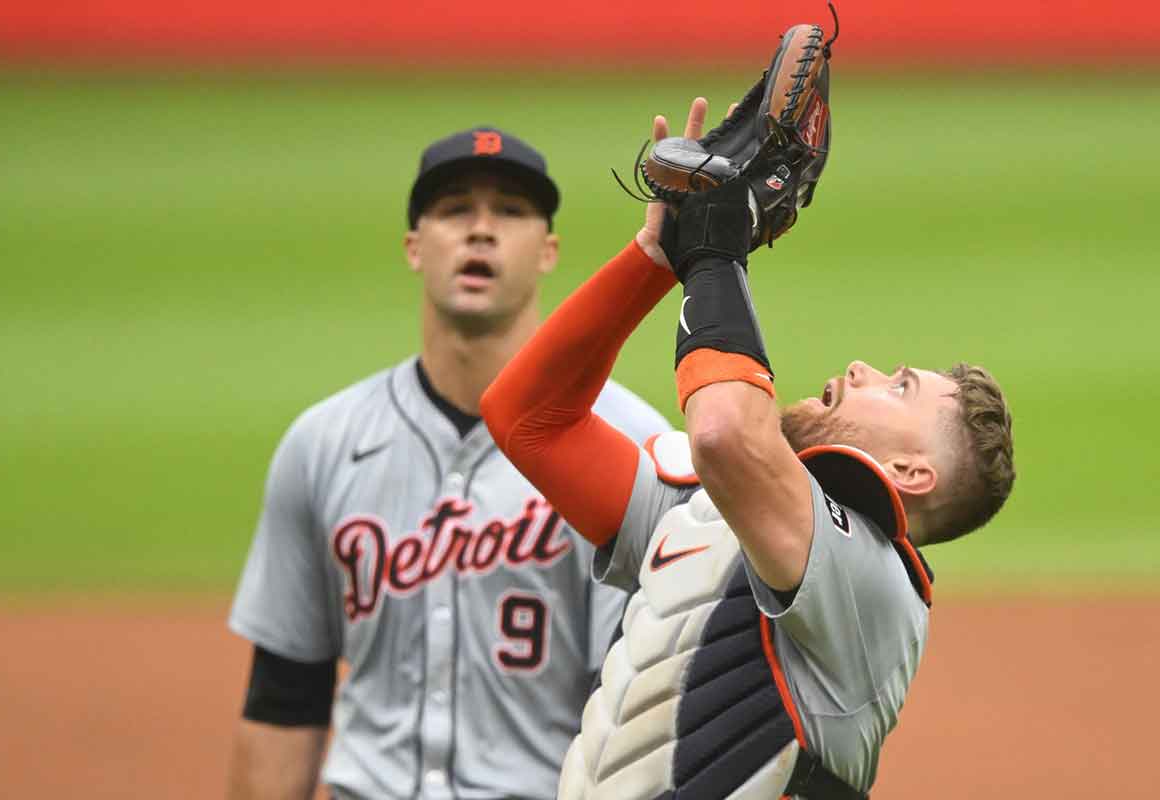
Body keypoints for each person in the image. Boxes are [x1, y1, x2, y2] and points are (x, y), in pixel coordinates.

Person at [480, 97, 1016, 799]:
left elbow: (727, 434)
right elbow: (528, 420)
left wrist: (716, 253)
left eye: (900, 387)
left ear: (911, 473)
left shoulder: (873, 588)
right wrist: (656, 257)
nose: (863, 369)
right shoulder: (706, 514)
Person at [225, 126, 672, 800]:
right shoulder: (322, 443)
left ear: (548, 251)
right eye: (455, 209)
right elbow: (286, 695)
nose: (481, 231)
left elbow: (639, 715)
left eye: (511, 212)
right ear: (415, 247)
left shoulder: (630, 444)